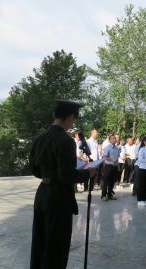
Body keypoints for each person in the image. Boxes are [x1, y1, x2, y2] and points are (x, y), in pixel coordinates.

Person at [30, 100, 96, 269]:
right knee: (56, 249)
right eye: (73, 120)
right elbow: (66, 176)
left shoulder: (40, 139)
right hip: (58, 200)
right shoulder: (66, 141)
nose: (72, 124)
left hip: (42, 195)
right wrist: (87, 173)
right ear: (69, 117)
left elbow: (35, 170)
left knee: (39, 245)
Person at [101, 135, 119, 201]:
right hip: (108, 166)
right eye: (113, 138)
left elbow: (117, 158)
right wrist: (111, 159)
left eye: (115, 138)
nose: (115, 139)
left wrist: (118, 166)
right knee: (105, 181)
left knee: (112, 181)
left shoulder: (117, 148)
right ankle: (103, 195)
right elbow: (104, 156)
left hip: (115, 166)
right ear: (110, 140)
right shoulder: (107, 147)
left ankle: (109, 195)